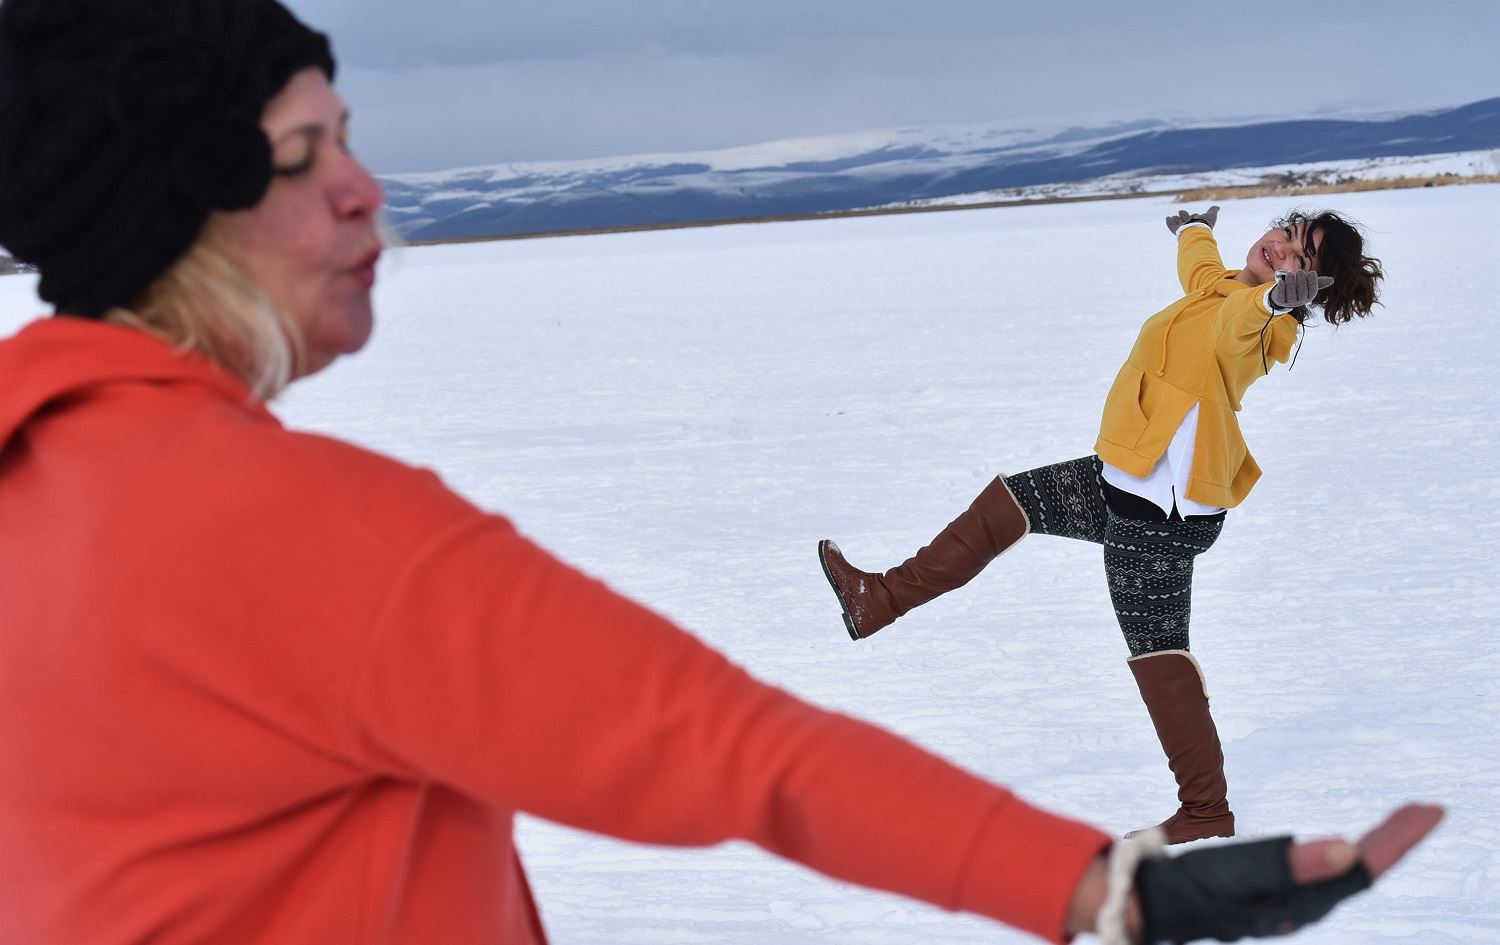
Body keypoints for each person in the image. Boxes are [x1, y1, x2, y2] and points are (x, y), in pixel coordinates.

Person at [0, 2, 1438, 944]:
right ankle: (926, 625)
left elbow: (1243, 314)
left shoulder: (34, 494)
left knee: (1142, 617)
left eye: (354, 139)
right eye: (306, 156)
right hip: (1128, 487)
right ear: (178, 212)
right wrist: (1099, 888)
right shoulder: (324, 542)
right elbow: (726, 748)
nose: (366, 187)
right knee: (1083, 567)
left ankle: (1138, 751)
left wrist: (1280, 290)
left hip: (1162, 505)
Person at [818, 202, 1386, 846]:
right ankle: (879, 599)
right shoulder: (1224, 284)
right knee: (1010, 501)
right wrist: (1194, 230)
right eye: (1285, 232)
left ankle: (1204, 809)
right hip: (1123, 474)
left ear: (1309, 283)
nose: (1280, 247)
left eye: (1300, 255)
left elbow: (1236, 328)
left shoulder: (1265, 329)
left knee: (1159, 652)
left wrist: (1276, 302)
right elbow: (1202, 274)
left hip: (1159, 516)